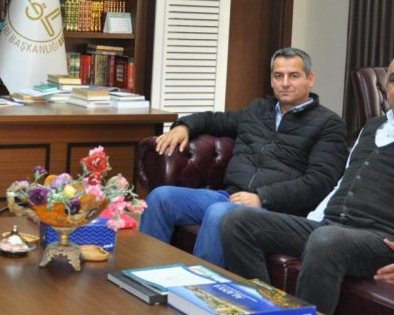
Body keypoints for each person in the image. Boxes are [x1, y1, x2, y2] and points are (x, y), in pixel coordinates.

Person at [221, 47, 394, 315]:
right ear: (386, 86)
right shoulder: (372, 127)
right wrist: (309, 224)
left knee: (326, 239)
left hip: (389, 243)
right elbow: (342, 185)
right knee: (237, 220)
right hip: (333, 230)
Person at [139, 47, 348, 267]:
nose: (285, 83)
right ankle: (146, 275)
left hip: (276, 210)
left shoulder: (329, 124)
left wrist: (262, 197)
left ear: (310, 78)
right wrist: (184, 126)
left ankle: (198, 286)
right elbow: (214, 119)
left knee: (219, 213)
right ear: (271, 80)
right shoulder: (258, 109)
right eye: (278, 76)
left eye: (293, 76)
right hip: (229, 196)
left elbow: (320, 182)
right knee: (160, 198)